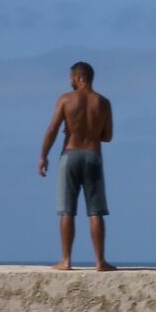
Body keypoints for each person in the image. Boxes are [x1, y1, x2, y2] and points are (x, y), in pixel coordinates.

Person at [38, 62, 115, 271]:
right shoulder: (104, 102)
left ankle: (66, 260)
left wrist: (43, 156)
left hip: (70, 155)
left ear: (78, 77)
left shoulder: (66, 99)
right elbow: (107, 136)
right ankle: (100, 262)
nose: (70, 81)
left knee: (67, 210)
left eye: (71, 77)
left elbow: (53, 128)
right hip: (93, 155)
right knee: (95, 211)